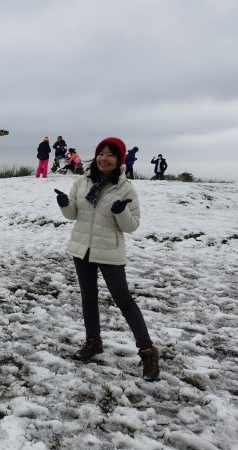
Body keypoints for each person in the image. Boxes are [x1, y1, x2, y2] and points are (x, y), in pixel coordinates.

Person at [53, 137, 160, 381]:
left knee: (123, 299)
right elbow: (73, 215)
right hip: (82, 248)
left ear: (119, 160)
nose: (104, 158)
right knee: (88, 298)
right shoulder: (82, 180)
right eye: (101, 153)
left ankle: (148, 351)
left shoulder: (125, 188)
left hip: (109, 251)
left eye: (110, 154)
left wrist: (121, 211)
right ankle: (93, 342)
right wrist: (64, 204)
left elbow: (132, 226)